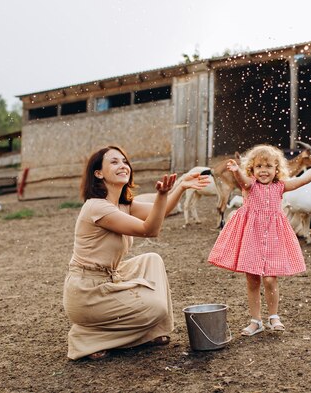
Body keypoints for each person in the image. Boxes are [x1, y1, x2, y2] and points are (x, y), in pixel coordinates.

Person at [63, 145, 211, 360]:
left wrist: (180, 187)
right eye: (114, 162)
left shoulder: (123, 204)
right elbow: (150, 229)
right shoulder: (97, 207)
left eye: (124, 161)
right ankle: (87, 337)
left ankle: (153, 331)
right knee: (156, 308)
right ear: (98, 173)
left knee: (152, 260)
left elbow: (163, 210)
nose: (123, 166)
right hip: (87, 293)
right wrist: (162, 194)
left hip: (109, 278)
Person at [207, 144, 311, 336]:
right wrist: (237, 170)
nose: (264, 171)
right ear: (252, 170)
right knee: (252, 279)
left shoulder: (281, 186)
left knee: (271, 279)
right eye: (259, 167)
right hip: (252, 237)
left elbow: (304, 179)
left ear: (276, 169)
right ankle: (256, 321)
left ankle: (273, 316)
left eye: (269, 166)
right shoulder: (250, 185)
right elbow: (243, 181)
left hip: (273, 237)